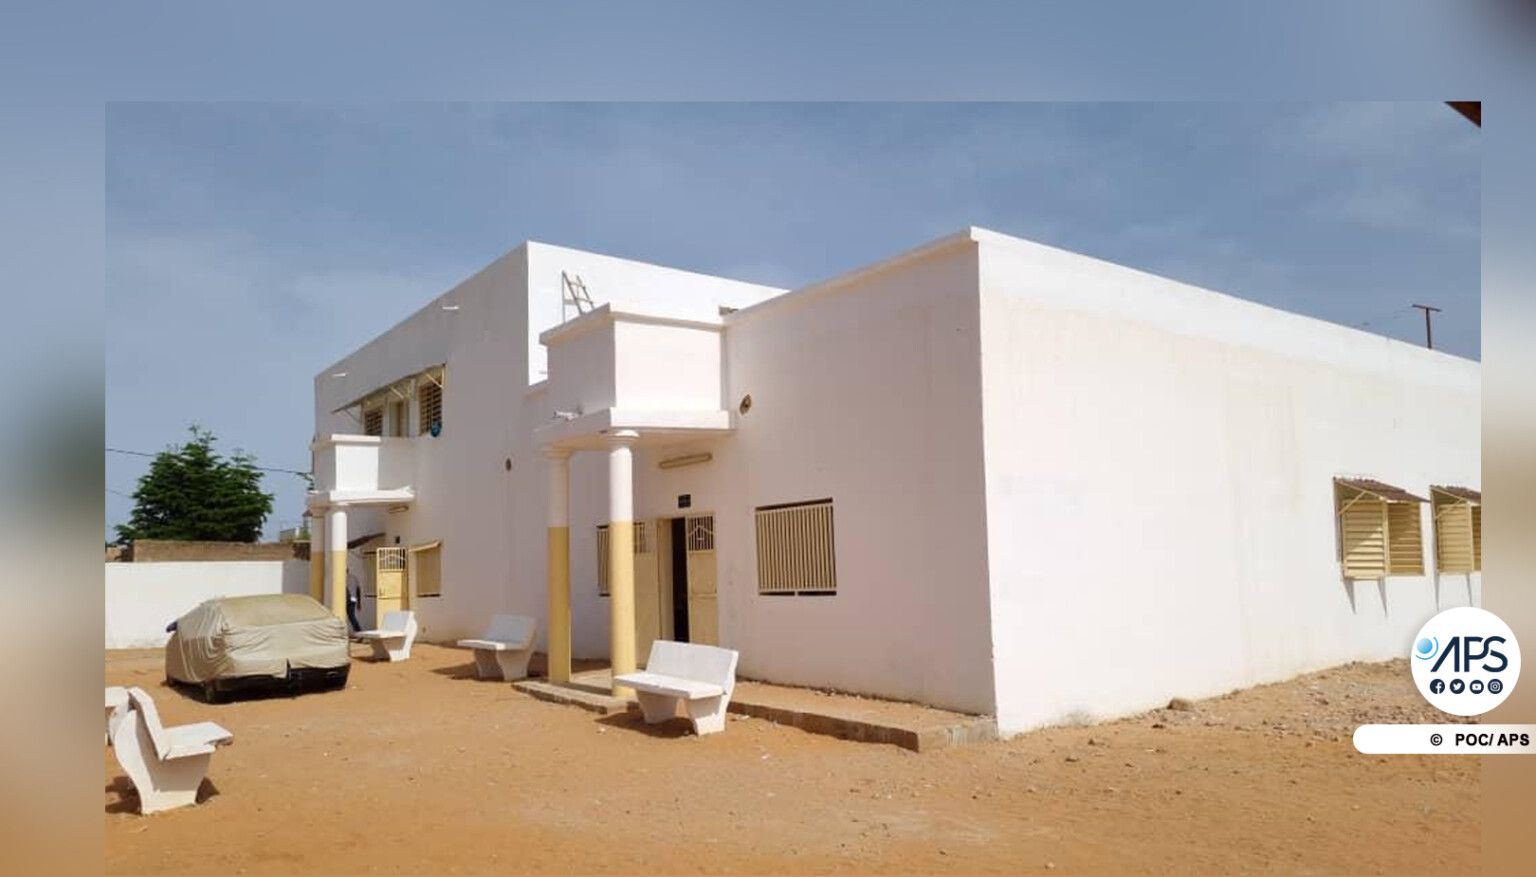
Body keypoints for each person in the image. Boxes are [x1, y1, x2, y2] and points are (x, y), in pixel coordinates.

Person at [345, 566, 362, 633]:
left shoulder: (343, 578)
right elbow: (358, 590)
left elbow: (346, 590)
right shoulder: (354, 577)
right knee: (351, 616)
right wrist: (359, 602)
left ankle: (358, 630)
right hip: (354, 599)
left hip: (347, 599)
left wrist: (347, 598)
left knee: (351, 616)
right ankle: (357, 630)